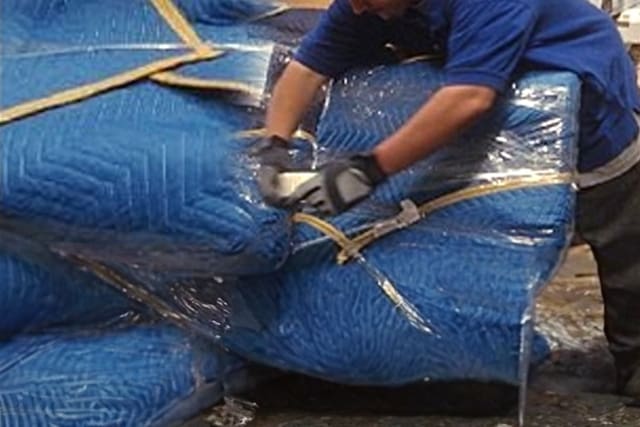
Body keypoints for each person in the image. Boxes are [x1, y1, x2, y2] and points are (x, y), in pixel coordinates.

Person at [251, 0, 640, 398]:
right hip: (503, 113)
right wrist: (274, 146)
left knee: (622, 243)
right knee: (487, 237)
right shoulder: (364, 5)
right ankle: (478, 357)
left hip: (585, 105)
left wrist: (369, 171)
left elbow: (470, 97)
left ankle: (634, 362)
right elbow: (306, 68)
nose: (357, 7)